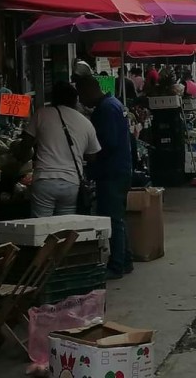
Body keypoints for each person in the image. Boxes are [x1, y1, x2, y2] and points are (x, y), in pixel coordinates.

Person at [77, 76, 133, 279]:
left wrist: (91, 156)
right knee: (118, 217)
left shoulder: (106, 109)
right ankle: (125, 260)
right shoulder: (114, 104)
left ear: (90, 90)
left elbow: (107, 142)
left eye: (82, 95)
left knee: (113, 218)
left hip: (111, 171)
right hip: (119, 169)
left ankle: (117, 264)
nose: (82, 101)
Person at [17, 82, 101, 218]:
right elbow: (93, 156)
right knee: (63, 229)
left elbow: (25, 144)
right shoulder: (86, 123)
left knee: (41, 228)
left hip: (45, 181)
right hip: (71, 183)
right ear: (75, 100)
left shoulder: (42, 114)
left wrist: (22, 157)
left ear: (53, 98)